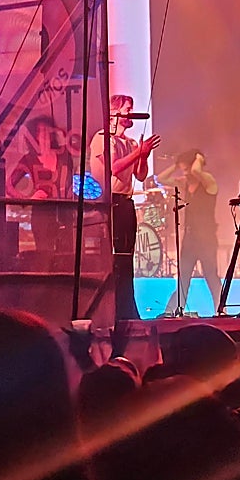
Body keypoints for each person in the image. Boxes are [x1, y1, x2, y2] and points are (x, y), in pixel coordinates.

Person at [90, 94, 161, 329]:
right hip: (109, 203)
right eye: (127, 108)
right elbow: (114, 167)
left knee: (126, 257)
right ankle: (113, 308)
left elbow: (140, 175)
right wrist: (138, 153)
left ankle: (128, 307)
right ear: (114, 113)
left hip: (126, 202)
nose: (131, 113)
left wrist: (144, 155)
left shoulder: (130, 142)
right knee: (114, 258)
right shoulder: (103, 139)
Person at [157, 149, 222, 315]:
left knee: (211, 276)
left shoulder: (208, 181)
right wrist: (176, 164)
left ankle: (221, 309)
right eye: (183, 169)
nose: (186, 172)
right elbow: (161, 178)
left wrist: (199, 159)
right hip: (190, 238)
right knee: (183, 277)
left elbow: (196, 171)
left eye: (187, 168)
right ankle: (172, 310)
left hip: (206, 238)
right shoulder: (185, 183)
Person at [9, 115, 75, 269]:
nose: (45, 134)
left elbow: (72, 181)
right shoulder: (29, 159)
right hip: (42, 215)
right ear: (34, 135)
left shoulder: (64, 155)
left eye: (47, 130)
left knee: (66, 259)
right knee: (45, 259)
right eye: (40, 131)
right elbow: (9, 185)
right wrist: (28, 199)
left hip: (65, 213)